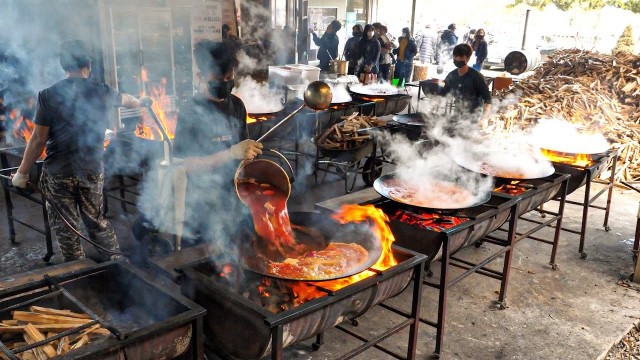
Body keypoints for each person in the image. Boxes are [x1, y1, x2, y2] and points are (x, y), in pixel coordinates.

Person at [10, 39, 143, 262]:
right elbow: (127, 100)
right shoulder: (102, 91)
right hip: (91, 169)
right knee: (97, 221)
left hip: (58, 173)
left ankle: (77, 272)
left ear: (64, 67)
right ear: (88, 65)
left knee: (67, 227)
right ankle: (116, 262)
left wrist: (22, 174)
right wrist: (140, 101)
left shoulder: (48, 95)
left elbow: (38, 140)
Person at [172, 39, 262, 247]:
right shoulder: (190, 111)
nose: (224, 83)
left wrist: (249, 159)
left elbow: (242, 156)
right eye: (217, 79)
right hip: (201, 204)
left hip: (233, 200)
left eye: (229, 78)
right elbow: (186, 165)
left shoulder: (237, 105)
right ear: (201, 76)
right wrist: (230, 153)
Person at [440, 44, 492, 128]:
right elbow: (443, 94)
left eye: (460, 56)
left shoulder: (476, 77)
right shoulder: (451, 75)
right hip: (457, 114)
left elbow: (488, 99)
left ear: (467, 58)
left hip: (473, 117)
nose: (457, 59)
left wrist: (484, 119)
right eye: (455, 56)